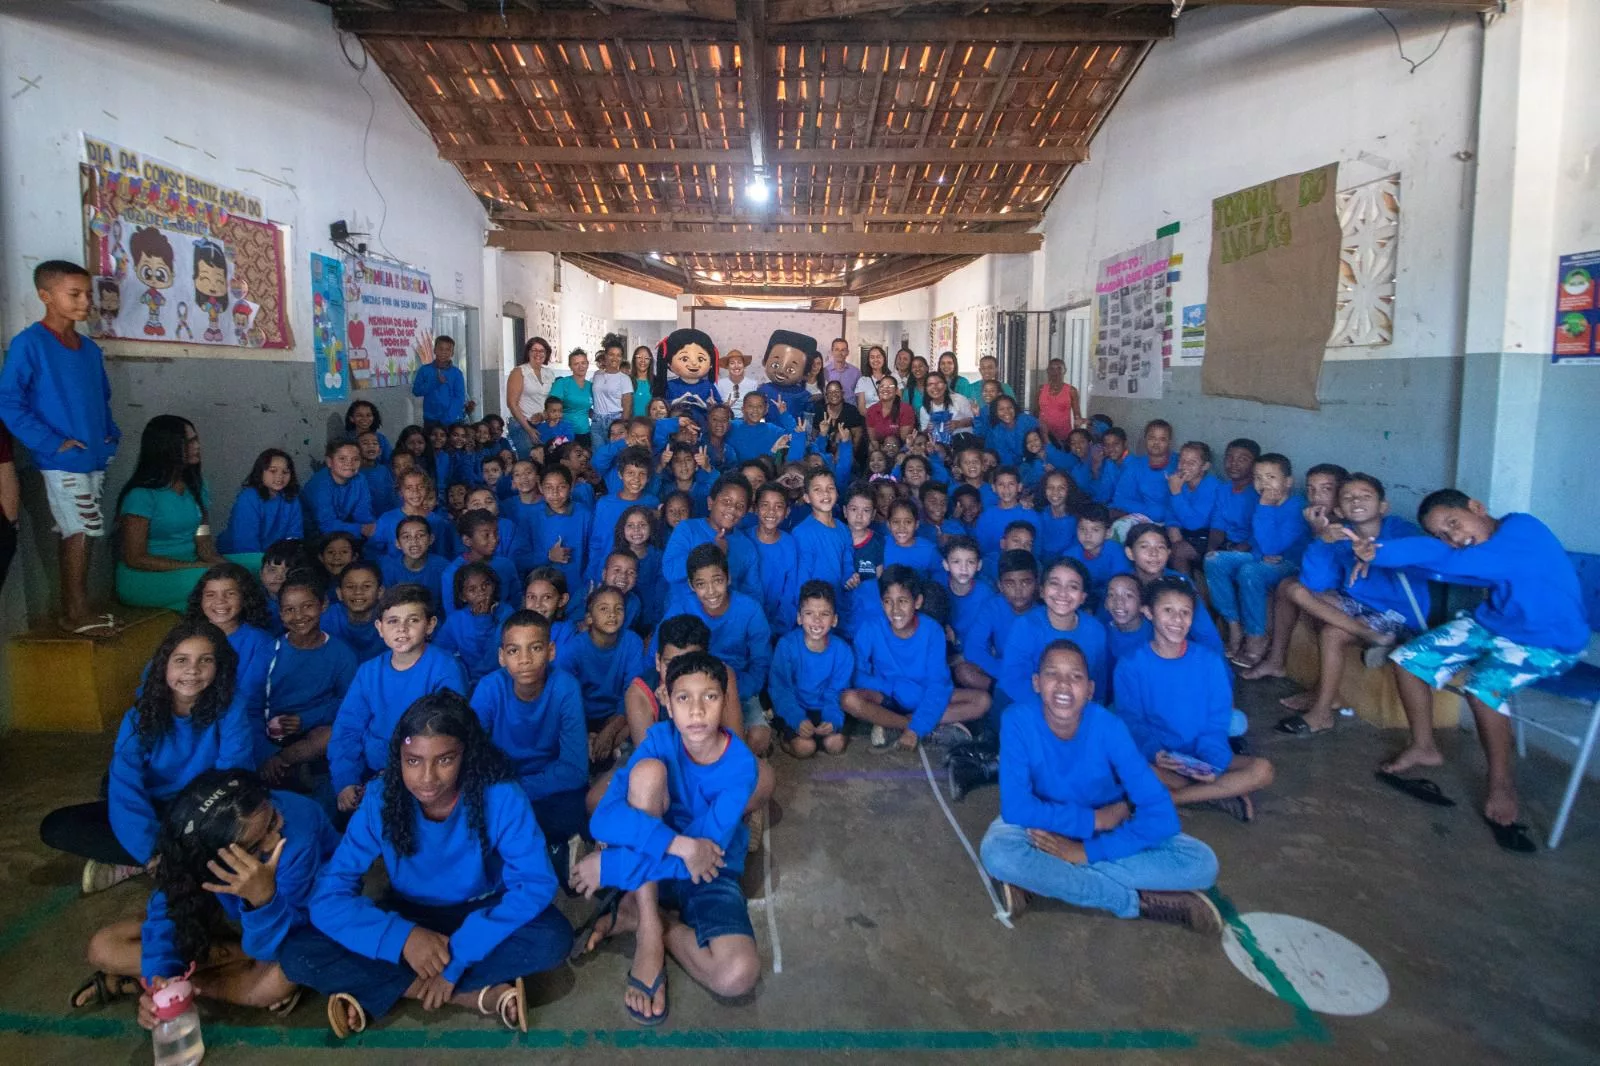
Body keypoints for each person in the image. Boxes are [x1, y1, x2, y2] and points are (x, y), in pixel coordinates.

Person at [286, 692, 572, 1036]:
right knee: (296, 952)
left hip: (481, 910)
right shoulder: (381, 798)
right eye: (413, 761)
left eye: (445, 760)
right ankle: (473, 994)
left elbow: (536, 883)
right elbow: (329, 894)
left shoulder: (501, 795)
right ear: (399, 758)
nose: (427, 778)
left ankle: (386, 987)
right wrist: (404, 938)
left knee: (552, 938)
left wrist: (461, 953)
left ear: (467, 755)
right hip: (411, 915)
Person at [1350, 489, 1587, 851]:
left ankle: (1501, 783)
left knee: (1482, 688)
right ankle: (1424, 746)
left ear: (1477, 507)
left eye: (1453, 523)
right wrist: (1379, 552)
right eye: (1442, 534)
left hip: (1550, 640)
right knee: (1408, 660)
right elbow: (1443, 557)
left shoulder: (1523, 530)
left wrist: (1383, 552)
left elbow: (1448, 560)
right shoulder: (1481, 551)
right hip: (1496, 625)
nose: (1454, 538)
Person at [572, 652, 760, 1025]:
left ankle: (646, 916)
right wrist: (680, 844)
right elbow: (604, 820)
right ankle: (650, 936)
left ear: (725, 702)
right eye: (683, 698)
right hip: (662, 867)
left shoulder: (740, 767)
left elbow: (704, 854)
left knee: (737, 973)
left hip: (709, 869)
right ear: (667, 703)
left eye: (710, 696)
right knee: (645, 775)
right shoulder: (659, 739)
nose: (696, 710)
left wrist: (611, 866)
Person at [978, 641, 1221, 931]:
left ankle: (1043, 881)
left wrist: (1084, 852)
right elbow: (1017, 808)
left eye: (1076, 677)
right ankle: (1135, 902)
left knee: (1201, 862)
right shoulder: (1017, 721)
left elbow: (1161, 815)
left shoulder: (1110, 728)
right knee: (998, 851)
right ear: (1037, 683)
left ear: (1090, 690)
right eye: (1053, 674)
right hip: (1043, 823)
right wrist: (1093, 820)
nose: (1064, 685)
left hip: (1105, 829)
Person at [72, 771, 338, 1023]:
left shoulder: (296, 840)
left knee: (276, 982)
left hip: (290, 923)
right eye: (256, 846)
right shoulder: (196, 852)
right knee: (104, 947)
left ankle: (133, 983)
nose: (274, 839)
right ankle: (181, 978)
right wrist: (160, 980)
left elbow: (273, 947)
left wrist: (262, 900)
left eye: (273, 819)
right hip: (231, 924)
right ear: (213, 861)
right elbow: (167, 910)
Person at [39, 619, 254, 892]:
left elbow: (232, 779)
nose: (192, 670)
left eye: (205, 660)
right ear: (164, 665)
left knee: (248, 827)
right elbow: (125, 783)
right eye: (181, 660)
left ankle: (141, 863)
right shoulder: (141, 714)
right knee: (57, 826)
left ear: (219, 667)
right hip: (154, 805)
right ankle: (159, 862)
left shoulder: (231, 707)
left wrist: (195, 825)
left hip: (203, 809)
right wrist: (150, 851)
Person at [0, 260, 121, 632]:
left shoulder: (88, 349)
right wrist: (52, 442)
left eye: (88, 293)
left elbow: (102, 398)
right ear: (45, 296)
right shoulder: (29, 343)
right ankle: (74, 613)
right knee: (78, 530)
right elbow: (8, 403)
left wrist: (109, 434)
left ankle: (77, 607)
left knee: (86, 530)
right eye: (75, 294)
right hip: (60, 459)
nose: (86, 301)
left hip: (94, 456)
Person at [1269, 474, 1431, 735]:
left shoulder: (1401, 531)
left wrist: (1376, 554)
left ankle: (1322, 712)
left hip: (1397, 616)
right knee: (1295, 589)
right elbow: (1315, 581)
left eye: (1365, 496)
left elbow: (1421, 551)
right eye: (1348, 497)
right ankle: (1366, 634)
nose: (1356, 501)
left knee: (1333, 632)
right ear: (1339, 509)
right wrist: (1322, 540)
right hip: (1359, 609)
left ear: (1383, 507)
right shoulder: (1341, 535)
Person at [1115, 578, 1274, 821]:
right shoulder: (1131, 665)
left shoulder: (1209, 662)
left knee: (1263, 770)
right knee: (1124, 764)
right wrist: (1155, 752)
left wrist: (1211, 765)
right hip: (1162, 760)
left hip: (1204, 755)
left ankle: (1173, 798)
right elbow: (1132, 720)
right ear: (1148, 613)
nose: (1178, 621)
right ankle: (1218, 793)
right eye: (1168, 611)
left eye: (1185, 613)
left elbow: (1217, 720)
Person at [328, 584, 468, 814]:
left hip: (426, 773)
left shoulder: (445, 668)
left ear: (430, 625)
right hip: (372, 771)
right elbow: (347, 729)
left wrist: (393, 777)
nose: (402, 629)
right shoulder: (369, 672)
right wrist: (346, 780)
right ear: (379, 628)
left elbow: (448, 734)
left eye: (413, 620)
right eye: (392, 621)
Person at [472, 610, 589, 854]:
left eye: (535, 648)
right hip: (500, 783)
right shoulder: (490, 689)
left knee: (581, 807)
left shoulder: (565, 687)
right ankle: (548, 849)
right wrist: (501, 789)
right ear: (502, 657)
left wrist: (517, 789)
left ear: (551, 651)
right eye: (514, 651)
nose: (524, 659)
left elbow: (575, 770)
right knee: (472, 811)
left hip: (547, 784)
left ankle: (524, 844)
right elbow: (472, 757)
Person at [841, 565, 990, 752]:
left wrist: (916, 721)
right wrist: (892, 688)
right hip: (886, 698)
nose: (895, 610)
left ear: (917, 602)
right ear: (881, 603)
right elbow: (856, 674)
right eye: (888, 601)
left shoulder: (932, 631)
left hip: (923, 695)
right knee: (848, 699)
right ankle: (909, 725)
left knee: (982, 701)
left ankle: (897, 724)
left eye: (902, 601)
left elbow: (938, 684)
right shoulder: (871, 628)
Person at [116, 416, 258, 612]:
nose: (198, 446)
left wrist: (230, 567)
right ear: (166, 446)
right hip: (147, 577)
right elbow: (135, 558)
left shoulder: (198, 487)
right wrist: (196, 568)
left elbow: (204, 546)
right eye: (190, 441)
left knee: (262, 565)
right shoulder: (141, 495)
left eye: (196, 439)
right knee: (220, 584)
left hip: (195, 568)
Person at [1203, 453, 1309, 666]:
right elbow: (1259, 542)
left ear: (1288, 482)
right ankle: (1234, 625)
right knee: (1214, 560)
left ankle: (1256, 636)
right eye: (1258, 478)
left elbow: (1273, 546)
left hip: (1289, 563)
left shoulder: (1296, 506)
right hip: (1261, 557)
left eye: (1271, 477)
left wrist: (1265, 506)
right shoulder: (1263, 502)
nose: (1263, 483)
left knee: (1251, 572)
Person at [677, 544, 773, 756]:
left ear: (728, 578)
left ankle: (731, 764)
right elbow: (667, 652)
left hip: (740, 688)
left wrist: (732, 695)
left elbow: (761, 664)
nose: (711, 591)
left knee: (760, 739)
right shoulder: (683, 607)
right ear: (692, 585)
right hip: (695, 690)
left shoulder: (749, 609)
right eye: (701, 584)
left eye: (717, 581)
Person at [557, 585, 649, 764]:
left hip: (618, 715)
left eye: (619, 608)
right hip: (581, 716)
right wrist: (583, 734)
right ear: (589, 618)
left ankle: (608, 757)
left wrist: (609, 731)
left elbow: (632, 690)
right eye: (604, 609)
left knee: (640, 721)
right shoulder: (574, 649)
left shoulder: (632, 642)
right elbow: (563, 696)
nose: (612, 614)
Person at [1001, 558, 1110, 705]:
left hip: (1075, 709)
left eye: (1073, 587)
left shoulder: (1096, 630)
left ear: (1083, 597)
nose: (1062, 593)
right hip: (1027, 704)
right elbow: (1013, 680)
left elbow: (1097, 682)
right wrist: (1052, 712)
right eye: (1054, 584)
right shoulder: (1025, 626)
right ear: (1042, 591)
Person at [769, 581, 853, 758]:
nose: (816, 620)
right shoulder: (787, 646)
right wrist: (796, 719)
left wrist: (832, 719)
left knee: (835, 744)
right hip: (794, 705)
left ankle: (822, 736)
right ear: (799, 617)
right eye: (809, 613)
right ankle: (786, 738)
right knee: (804, 748)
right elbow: (781, 689)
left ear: (835, 619)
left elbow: (837, 691)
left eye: (824, 614)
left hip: (826, 707)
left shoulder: (843, 651)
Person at [183, 561, 275, 719]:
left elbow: (252, 695)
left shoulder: (260, 641)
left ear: (245, 597)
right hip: (186, 715)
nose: (220, 601)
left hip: (237, 719)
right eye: (210, 595)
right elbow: (155, 680)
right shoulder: (183, 638)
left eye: (230, 594)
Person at [661, 474, 762, 610]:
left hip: (727, 621)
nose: (732, 509)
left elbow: (753, 594)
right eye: (726, 502)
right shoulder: (687, 529)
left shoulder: (747, 547)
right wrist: (714, 551)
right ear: (710, 503)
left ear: (745, 512)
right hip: (683, 616)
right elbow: (670, 572)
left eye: (740, 505)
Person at [954, 550, 1038, 693]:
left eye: (1025, 583)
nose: (1018, 591)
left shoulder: (1044, 611)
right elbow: (973, 648)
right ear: (1000, 586)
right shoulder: (993, 606)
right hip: (1002, 671)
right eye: (1010, 584)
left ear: (1037, 583)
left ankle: (1004, 694)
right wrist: (1005, 674)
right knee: (964, 671)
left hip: (1033, 677)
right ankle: (1002, 692)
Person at [433, 561, 515, 690]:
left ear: (494, 585)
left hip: (501, 681)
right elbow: (441, 653)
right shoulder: (455, 620)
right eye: (472, 589)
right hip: (467, 683)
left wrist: (484, 619)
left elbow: (493, 657)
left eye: (486, 585)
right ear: (463, 597)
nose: (481, 592)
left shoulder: (507, 613)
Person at [219, 449, 304, 553]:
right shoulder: (248, 498)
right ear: (260, 472)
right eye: (273, 471)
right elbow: (246, 544)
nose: (280, 476)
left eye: (285, 472)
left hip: (275, 560)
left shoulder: (291, 497)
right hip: (240, 557)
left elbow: (295, 536)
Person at [750, 483, 801, 638]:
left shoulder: (790, 544)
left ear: (787, 512)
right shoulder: (743, 539)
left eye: (778, 506)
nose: (771, 511)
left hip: (778, 625)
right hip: (746, 621)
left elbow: (790, 591)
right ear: (755, 509)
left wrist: (780, 627)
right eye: (765, 505)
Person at [1165, 441, 1222, 578]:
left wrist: (1176, 492)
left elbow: (1194, 523)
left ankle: (1188, 592)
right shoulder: (1179, 481)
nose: (1184, 466)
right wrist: (1173, 527)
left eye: (1191, 463)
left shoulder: (1212, 485)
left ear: (1205, 466)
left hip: (1206, 537)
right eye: (1182, 461)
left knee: (1179, 551)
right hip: (1183, 533)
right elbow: (1169, 511)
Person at [301, 439, 376, 541]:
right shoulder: (320, 484)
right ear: (329, 462)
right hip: (313, 534)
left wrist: (371, 529)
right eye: (342, 459)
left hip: (341, 530)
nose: (349, 463)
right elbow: (326, 525)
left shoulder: (360, 479)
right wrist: (361, 529)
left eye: (355, 459)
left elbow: (363, 513)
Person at [1111, 419, 1178, 524]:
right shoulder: (1135, 465)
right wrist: (1153, 511)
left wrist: (1163, 513)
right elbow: (1120, 500)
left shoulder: (1179, 463)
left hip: (1175, 523)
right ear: (1145, 439)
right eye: (1152, 438)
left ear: (1169, 441)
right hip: (1142, 520)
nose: (1156, 443)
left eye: (1162, 439)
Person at [507, 336, 555, 456]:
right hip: (522, 424)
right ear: (528, 352)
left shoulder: (549, 373)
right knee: (529, 461)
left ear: (546, 353)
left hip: (542, 423)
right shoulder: (519, 372)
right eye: (534, 350)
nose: (538, 353)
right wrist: (528, 429)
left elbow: (550, 401)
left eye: (541, 351)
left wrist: (544, 415)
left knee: (544, 460)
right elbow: (512, 404)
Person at [411, 335, 472, 426]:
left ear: (452, 353)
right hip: (431, 419)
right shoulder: (425, 370)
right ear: (435, 350)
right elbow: (416, 391)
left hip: (453, 420)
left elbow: (459, 398)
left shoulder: (456, 373)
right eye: (440, 349)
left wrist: (447, 419)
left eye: (448, 350)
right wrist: (435, 382)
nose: (444, 352)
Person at [590, 341, 635, 445]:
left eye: (618, 355)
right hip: (597, 421)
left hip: (615, 421)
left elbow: (627, 407)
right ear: (605, 356)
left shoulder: (624, 379)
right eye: (611, 354)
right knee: (599, 455)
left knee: (615, 455)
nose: (615, 358)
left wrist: (623, 426)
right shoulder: (597, 375)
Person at [550, 349, 595, 437]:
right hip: (564, 432)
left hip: (585, 432)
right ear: (570, 366)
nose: (580, 366)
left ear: (587, 364)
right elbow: (551, 407)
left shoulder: (591, 386)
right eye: (576, 364)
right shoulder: (562, 383)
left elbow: (586, 409)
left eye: (583, 363)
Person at [1036, 357, 1082, 441]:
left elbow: (1077, 416)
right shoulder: (1041, 389)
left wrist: (1076, 438)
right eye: (1052, 369)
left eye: (1059, 368)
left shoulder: (1071, 391)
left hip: (1064, 437)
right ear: (1047, 371)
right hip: (1043, 436)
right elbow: (1036, 412)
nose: (1055, 372)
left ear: (1065, 371)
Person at [865, 374, 915, 444]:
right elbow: (873, 440)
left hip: (901, 450)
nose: (885, 389)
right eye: (882, 386)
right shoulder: (871, 410)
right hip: (879, 449)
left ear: (896, 390)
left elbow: (905, 439)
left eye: (890, 386)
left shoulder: (906, 409)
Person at [823, 336, 861, 401]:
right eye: (837, 349)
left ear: (847, 352)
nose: (840, 353)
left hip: (851, 409)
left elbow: (859, 397)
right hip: (831, 409)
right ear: (832, 351)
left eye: (843, 350)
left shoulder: (856, 372)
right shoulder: (824, 372)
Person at [628, 345, 655, 417]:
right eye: (639, 357)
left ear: (650, 361)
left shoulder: (656, 381)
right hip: (632, 425)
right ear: (634, 359)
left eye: (646, 358)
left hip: (652, 425)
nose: (643, 361)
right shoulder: (627, 381)